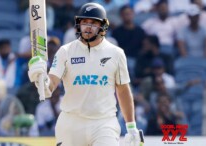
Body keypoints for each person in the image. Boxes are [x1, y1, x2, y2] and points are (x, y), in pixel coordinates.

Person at [28, 2, 144, 146]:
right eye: (84, 22)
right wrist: (38, 78)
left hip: (104, 122)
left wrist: (131, 126)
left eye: (93, 23)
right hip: (71, 122)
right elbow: (48, 89)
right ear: (78, 24)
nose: (88, 27)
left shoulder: (116, 53)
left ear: (103, 26)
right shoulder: (66, 51)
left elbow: (123, 90)